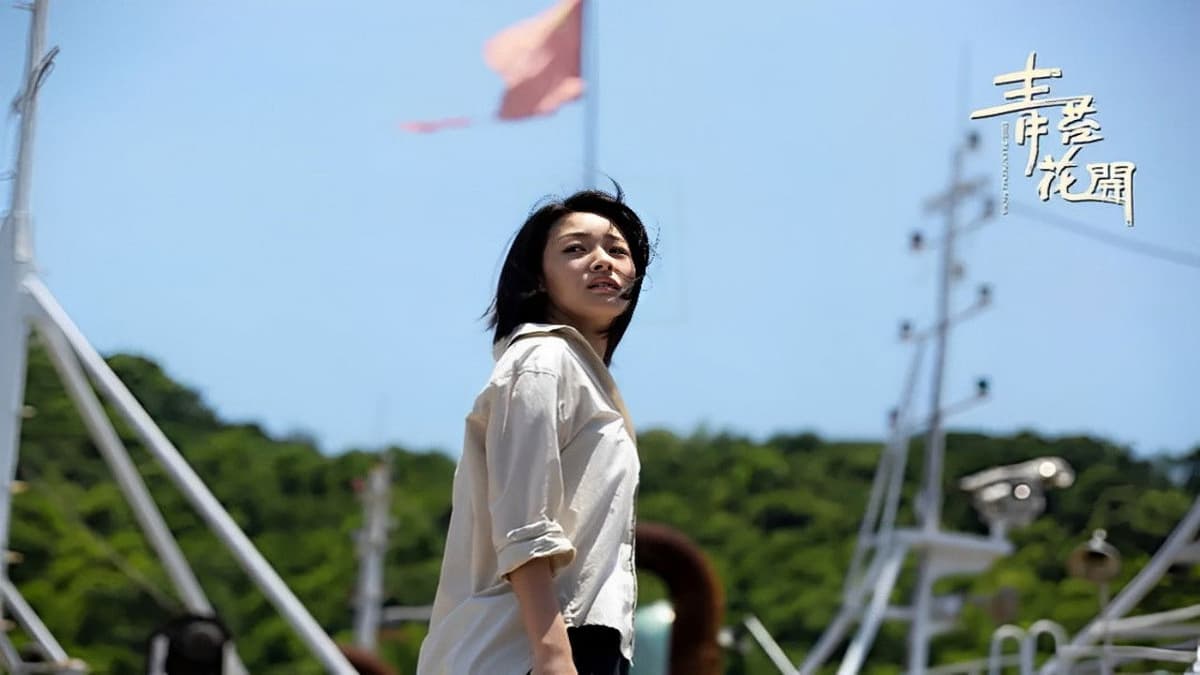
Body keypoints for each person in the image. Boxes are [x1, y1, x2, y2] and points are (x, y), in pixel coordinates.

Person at [416, 185, 654, 675]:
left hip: (583, 636)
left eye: (617, 251)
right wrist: (553, 655)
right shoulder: (542, 360)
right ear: (539, 279)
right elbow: (524, 524)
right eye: (575, 249)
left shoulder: (584, 376)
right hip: (530, 647)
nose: (602, 261)